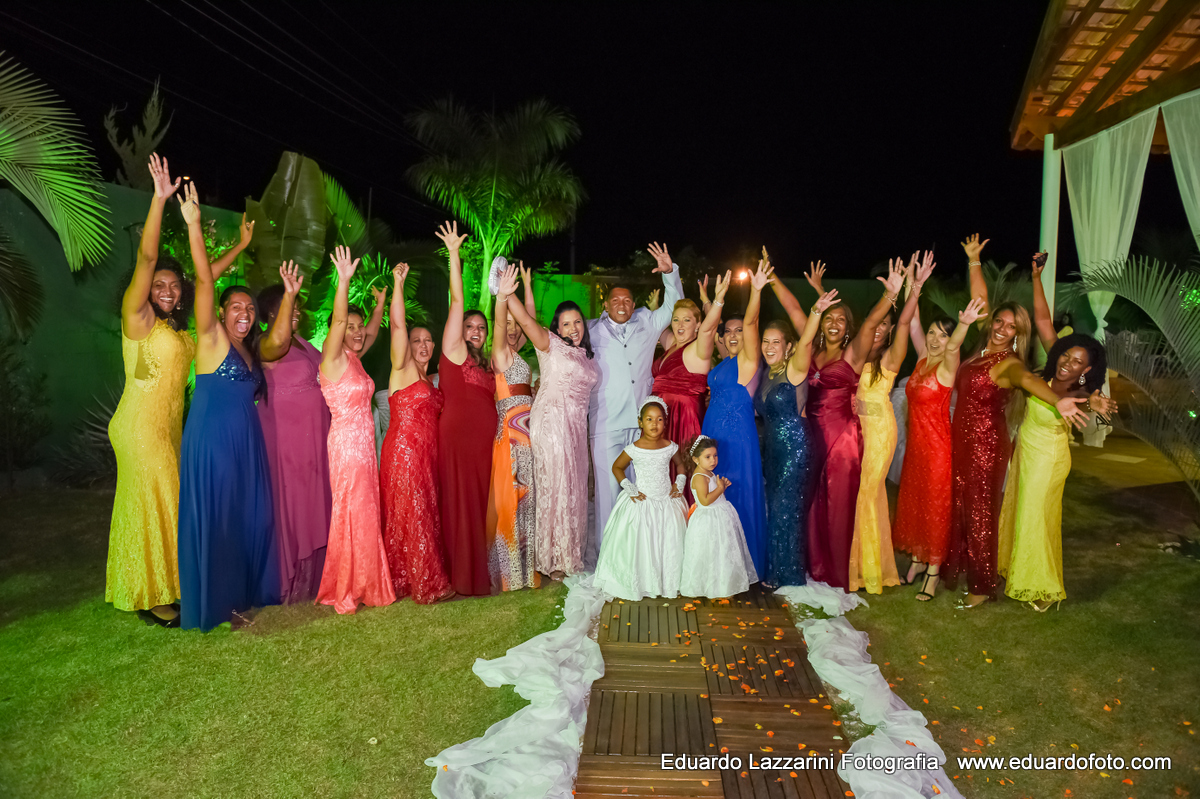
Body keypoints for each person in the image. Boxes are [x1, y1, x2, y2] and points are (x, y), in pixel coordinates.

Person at [944, 235, 1092, 609]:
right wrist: (974, 261)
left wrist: (1060, 399)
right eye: (1000, 321)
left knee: (980, 512)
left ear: (1018, 336)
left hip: (986, 446)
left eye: (1011, 327)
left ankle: (980, 586)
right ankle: (962, 566)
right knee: (962, 505)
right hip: (962, 440)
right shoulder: (981, 348)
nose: (1001, 328)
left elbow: (1030, 382)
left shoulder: (1009, 364)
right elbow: (979, 302)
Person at [177, 182, 281, 631]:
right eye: (235, 306)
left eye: (249, 307)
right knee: (220, 519)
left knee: (247, 517)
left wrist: (243, 244)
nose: (244, 312)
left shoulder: (249, 350)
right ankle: (222, 606)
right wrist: (195, 227)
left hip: (246, 442)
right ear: (220, 313)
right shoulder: (212, 337)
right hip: (215, 441)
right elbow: (204, 279)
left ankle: (245, 594)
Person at [106, 154, 197, 627]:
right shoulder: (137, 318)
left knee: (159, 502)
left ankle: (149, 584)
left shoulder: (179, 332)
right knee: (156, 499)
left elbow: (207, 280)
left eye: (172, 285)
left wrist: (237, 246)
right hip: (140, 428)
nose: (166, 288)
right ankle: (154, 594)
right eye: (158, 283)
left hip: (165, 429)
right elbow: (146, 256)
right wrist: (159, 199)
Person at [998, 257, 1114, 611]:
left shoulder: (1080, 392)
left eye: (1077, 362)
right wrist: (1037, 277)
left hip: (1049, 460)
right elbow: (1044, 320)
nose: (1067, 363)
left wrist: (1097, 404)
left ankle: (1042, 588)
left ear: (1087, 369)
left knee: (1035, 516)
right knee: (1021, 511)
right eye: (1066, 356)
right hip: (1026, 452)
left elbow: (1091, 403)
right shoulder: (1054, 367)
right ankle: (1020, 569)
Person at [804, 259, 906, 590]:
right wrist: (813, 290)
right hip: (814, 434)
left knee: (840, 502)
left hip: (845, 436)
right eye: (828, 319)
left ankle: (840, 570)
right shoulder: (814, 349)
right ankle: (817, 564)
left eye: (841, 321)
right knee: (816, 500)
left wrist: (891, 296)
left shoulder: (856, 353)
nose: (834, 324)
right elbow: (823, 317)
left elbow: (869, 324)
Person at [496, 266, 599, 578]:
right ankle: (551, 560)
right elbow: (527, 320)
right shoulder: (550, 344)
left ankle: (569, 554)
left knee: (574, 489)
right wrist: (506, 292)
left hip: (576, 427)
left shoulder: (586, 356)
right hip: (553, 423)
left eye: (578, 321)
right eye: (566, 323)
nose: (573, 327)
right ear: (557, 327)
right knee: (556, 487)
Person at [587, 242, 684, 554]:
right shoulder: (591, 331)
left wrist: (670, 273)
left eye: (627, 300)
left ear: (633, 304)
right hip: (605, 425)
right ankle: (608, 555)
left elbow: (674, 308)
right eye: (615, 299)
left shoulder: (647, 322)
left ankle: (636, 554)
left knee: (640, 493)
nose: (622, 303)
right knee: (608, 493)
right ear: (606, 304)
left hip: (642, 428)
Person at [315, 245, 395, 614]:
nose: (358, 331)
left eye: (359, 326)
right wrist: (343, 281)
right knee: (351, 510)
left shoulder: (354, 359)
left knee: (365, 510)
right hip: (347, 446)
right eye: (351, 326)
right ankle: (348, 585)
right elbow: (337, 322)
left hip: (365, 447)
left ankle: (365, 579)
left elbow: (374, 332)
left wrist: (379, 304)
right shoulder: (332, 358)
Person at [847, 253, 932, 594]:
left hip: (880, 432)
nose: (881, 329)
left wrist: (914, 290)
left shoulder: (890, 359)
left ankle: (866, 571)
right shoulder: (853, 355)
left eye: (886, 325)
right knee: (858, 495)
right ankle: (857, 564)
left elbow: (904, 323)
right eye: (877, 324)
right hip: (852, 433)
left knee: (867, 493)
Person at [892, 297, 984, 601]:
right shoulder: (922, 358)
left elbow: (955, 346)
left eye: (942, 335)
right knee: (917, 506)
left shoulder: (947, 364)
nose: (935, 339)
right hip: (917, 449)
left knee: (934, 510)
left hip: (937, 451)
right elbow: (912, 322)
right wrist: (913, 288)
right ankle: (918, 561)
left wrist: (964, 324)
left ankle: (932, 571)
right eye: (933, 333)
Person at [251, 273, 332, 604]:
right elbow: (278, 343)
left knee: (315, 502)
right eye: (289, 305)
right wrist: (288, 294)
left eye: (298, 305)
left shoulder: (304, 343)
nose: (297, 310)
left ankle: (317, 576)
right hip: (288, 440)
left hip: (315, 438)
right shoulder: (265, 343)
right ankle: (289, 579)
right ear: (272, 312)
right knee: (294, 504)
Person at [756, 278, 838, 587]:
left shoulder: (795, 368)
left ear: (788, 346)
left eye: (776, 342)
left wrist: (816, 312)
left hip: (796, 448)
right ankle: (778, 569)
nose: (769, 347)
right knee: (776, 507)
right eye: (766, 341)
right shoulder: (767, 373)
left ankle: (788, 576)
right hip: (774, 449)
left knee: (786, 509)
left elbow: (806, 342)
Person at [379, 262, 453, 604]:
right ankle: (424, 582)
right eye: (416, 340)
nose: (423, 346)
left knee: (422, 514)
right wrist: (398, 284)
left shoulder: (432, 379)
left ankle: (410, 577)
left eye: (428, 341)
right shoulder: (402, 368)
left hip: (427, 456)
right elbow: (396, 324)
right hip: (405, 454)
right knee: (413, 513)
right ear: (407, 345)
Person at [435, 221, 498, 597]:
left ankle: (480, 571)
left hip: (484, 443)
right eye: (470, 325)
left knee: (479, 504)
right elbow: (457, 301)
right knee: (461, 503)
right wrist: (454, 254)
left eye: (481, 327)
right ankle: (463, 576)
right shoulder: (453, 351)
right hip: (458, 440)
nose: (475, 330)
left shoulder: (487, 364)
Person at [698, 260, 770, 577]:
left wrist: (755, 291)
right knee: (714, 498)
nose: (732, 335)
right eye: (728, 332)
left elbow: (752, 323)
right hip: (713, 438)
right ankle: (718, 565)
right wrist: (710, 299)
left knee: (736, 495)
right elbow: (711, 331)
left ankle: (745, 566)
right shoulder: (724, 362)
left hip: (738, 441)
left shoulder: (748, 361)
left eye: (738, 331)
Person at [593, 397, 689, 600]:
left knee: (669, 541)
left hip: (666, 501)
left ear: (665, 422)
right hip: (641, 502)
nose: (654, 424)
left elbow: (680, 465)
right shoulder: (633, 449)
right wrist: (629, 488)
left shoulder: (670, 446)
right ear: (640, 422)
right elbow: (617, 467)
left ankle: (667, 580)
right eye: (649, 419)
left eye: (659, 419)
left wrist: (678, 483)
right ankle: (642, 581)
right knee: (641, 542)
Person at [485, 262, 539, 591]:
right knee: (510, 506)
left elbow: (527, 319)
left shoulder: (524, 357)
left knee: (529, 505)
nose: (513, 330)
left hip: (529, 441)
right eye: (508, 327)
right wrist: (502, 298)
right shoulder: (501, 356)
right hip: (509, 442)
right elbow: (499, 327)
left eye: (515, 327)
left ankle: (528, 573)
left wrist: (526, 289)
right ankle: (510, 577)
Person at [651, 271, 727, 502]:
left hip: (685, 421)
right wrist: (656, 308)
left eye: (687, 320)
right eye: (676, 319)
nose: (680, 324)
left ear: (697, 325)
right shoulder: (671, 343)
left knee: (684, 475)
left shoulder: (698, 349)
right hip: (664, 419)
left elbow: (709, 330)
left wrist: (718, 300)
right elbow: (656, 329)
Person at [679, 437, 758, 598]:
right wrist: (720, 488)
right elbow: (705, 501)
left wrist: (721, 486)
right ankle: (710, 587)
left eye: (715, 456)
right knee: (710, 553)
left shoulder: (708, 472)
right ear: (696, 459)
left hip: (719, 518)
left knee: (721, 553)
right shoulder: (700, 477)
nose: (713, 460)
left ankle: (723, 585)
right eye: (707, 457)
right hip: (709, 521)